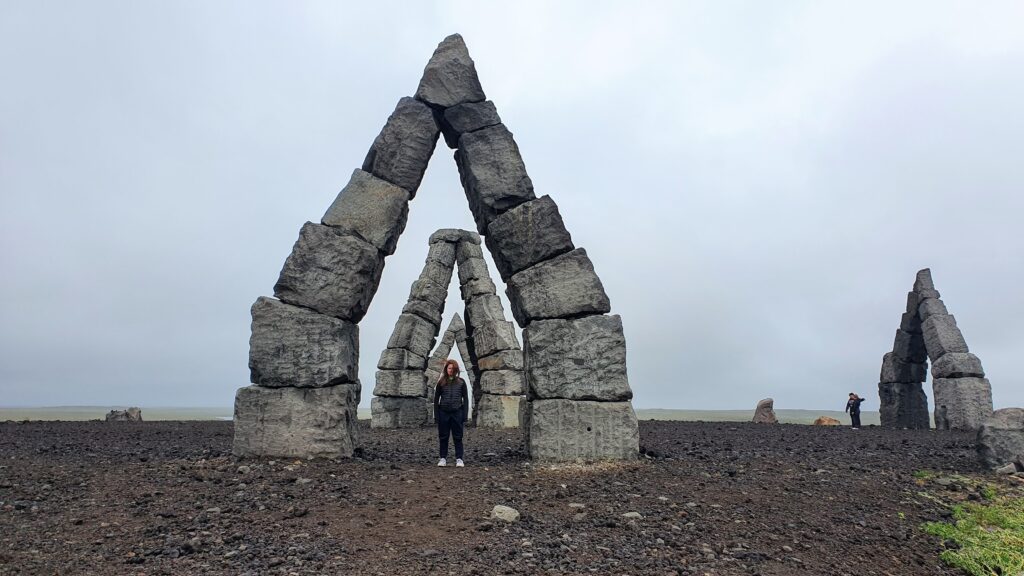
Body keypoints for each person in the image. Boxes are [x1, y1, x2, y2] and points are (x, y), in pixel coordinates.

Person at [434, 359, 468, 467]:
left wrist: (465, 415)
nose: (451, 370)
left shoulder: (461, 382)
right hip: (443, 412)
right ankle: (443, 458)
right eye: (449, 368)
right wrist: (436, 415)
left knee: (458, 437)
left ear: (456, 369)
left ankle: (459, 459)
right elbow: (436, 399)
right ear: (446, 369)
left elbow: (465, 399)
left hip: (457, 413)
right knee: (443, 437)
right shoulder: (441, 382)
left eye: (453, 368)